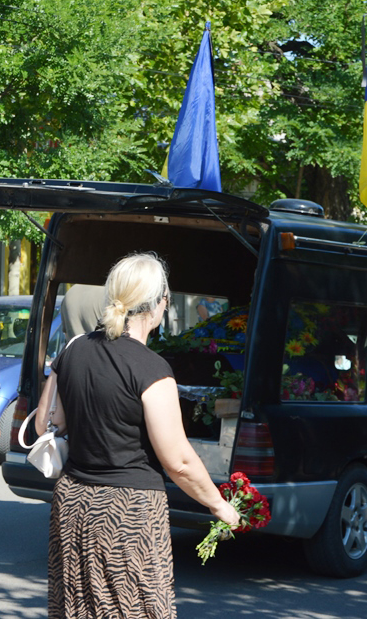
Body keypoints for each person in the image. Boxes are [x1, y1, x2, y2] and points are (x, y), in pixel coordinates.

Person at [35, 252, 239, 618]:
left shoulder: (74, 349)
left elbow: (47, 425)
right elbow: (177, 460)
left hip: (73, 504)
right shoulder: (151, 368)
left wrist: (57, 371)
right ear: (160, 305)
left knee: (78, 608)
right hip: (127, 511)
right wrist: (219, 505)